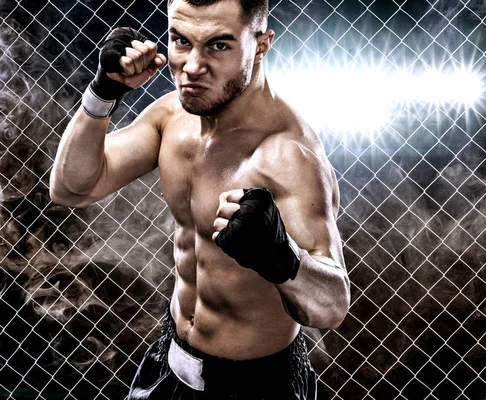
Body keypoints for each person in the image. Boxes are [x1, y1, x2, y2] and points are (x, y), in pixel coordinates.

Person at [49, 0, 350, 398]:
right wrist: (103, 93)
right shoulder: (173, 116)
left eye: (218, 46)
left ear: (261, 45)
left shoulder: (286, 154)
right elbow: (72, 187)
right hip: (170, 360)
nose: (192, 66)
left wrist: (282, 256)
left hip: (256, 385)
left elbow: (331, 307)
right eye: (181, 41)